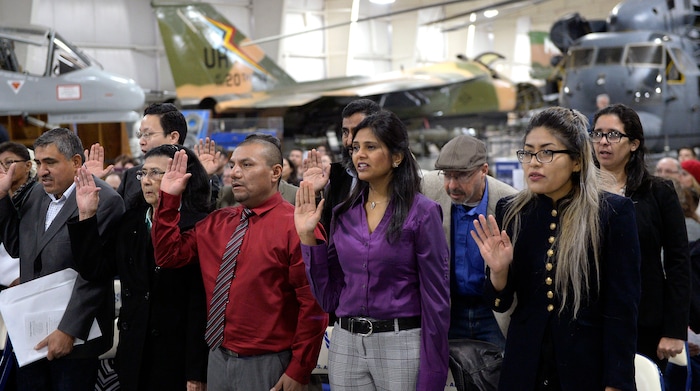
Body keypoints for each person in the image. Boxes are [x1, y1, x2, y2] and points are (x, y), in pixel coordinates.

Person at [471, 107, 641, 390]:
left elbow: (622, 309)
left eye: (547, 153)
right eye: (527, 153)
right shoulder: (512, 211)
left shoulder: (611, 213)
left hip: (585, 367)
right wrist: (498, 271)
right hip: (525, 367)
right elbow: (498, 301)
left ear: (576, 161)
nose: (534, 163)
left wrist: (617, 381)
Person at [152, 134, 328, 390]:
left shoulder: (297, 225)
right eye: (233, 165)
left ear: (275, 172)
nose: (234, 173)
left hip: (271, 362)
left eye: (247, 165)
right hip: (217, 356)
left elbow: (314, 305)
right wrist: (168, 201)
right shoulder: (218, 221)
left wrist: (300, 368)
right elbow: (169, 255)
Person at [295, 110, 450, 390]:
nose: (359, 155)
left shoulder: (423, 213)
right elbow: (328, 299)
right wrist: (308, 237)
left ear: (397, 156)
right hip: (345, 344)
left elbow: (436, 300)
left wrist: (432, 374)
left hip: (401, 343)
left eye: (371, 147)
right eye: (355, 148)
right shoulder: (343, 213)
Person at [68, 145, 210, 391]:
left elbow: (201, 306)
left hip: (176, 357)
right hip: (134, 350)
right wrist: (86, 215)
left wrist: (196, 370)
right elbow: (95, 270)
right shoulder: (131, 220)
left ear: (183, 177)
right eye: (143, 173)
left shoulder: (200, 225)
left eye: (156, 173)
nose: (147, 181)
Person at [0, 127, 124, 390]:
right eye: (38, 163)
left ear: (76, 162)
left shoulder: (105, 200)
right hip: (32, 332)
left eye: (51, 162)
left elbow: (94, 275)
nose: (42, 171)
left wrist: (69, 330)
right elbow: (17, 248)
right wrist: (2, 200)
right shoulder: (36, 193)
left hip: (76, 338)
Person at [592, 103, 690, 368]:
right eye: (597, 133)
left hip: (644, 319)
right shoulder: (579, 194)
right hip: (590, 319)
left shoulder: (658, 192)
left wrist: (674, 329)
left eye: (613, 134)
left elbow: (678, 262)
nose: (603, 141)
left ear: (634, 143)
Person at [421, 135, 517, 347]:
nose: (452, 185)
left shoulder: (511, 203)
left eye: (462, 176)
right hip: (449, 308)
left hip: (493, 312)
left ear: (484, 170)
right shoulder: (429, 188)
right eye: (447, 175)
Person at [113, 103, 222, 211]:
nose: (141, 141)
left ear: (173, 137)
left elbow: (206, 219)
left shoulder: (200, 175)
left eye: (147, 134)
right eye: (140, 135)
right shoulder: (131, 175)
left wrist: (202, 176)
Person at [304, 98, 381, 232]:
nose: (349, 140)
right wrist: (315, 194)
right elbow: (326, 233)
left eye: (357, 131)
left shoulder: (399, 180)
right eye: (345, 132)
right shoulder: (338, 178)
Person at [0, 142, 35, 290]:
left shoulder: (37, 196)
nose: (3, 168)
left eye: (8, 162)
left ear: (28, 166)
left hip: (25, 280)